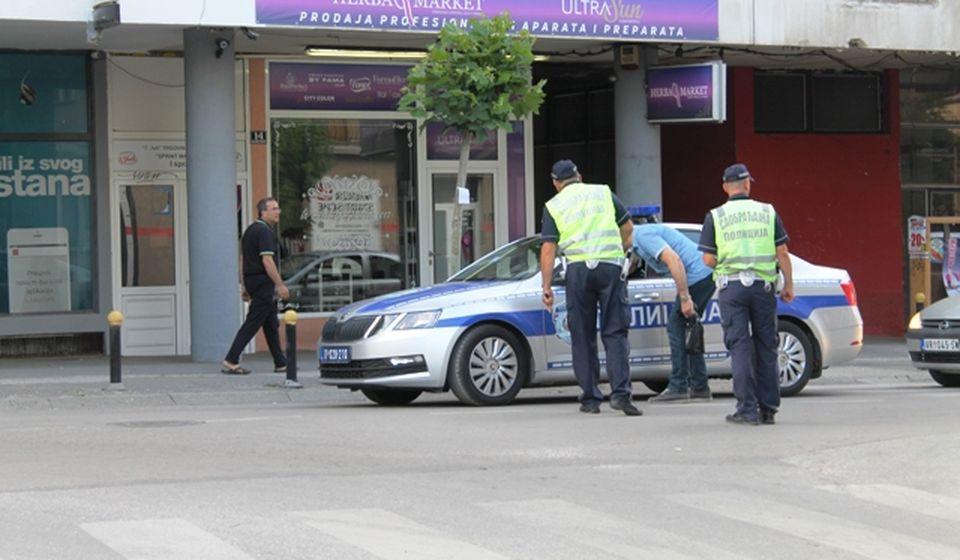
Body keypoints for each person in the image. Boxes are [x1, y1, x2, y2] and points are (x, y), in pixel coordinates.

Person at [540, 160, 640, 416]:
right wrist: (618, 250)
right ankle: (621, 395)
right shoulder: (603, 192)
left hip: (578, 271)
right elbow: (628, 228)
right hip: (610, 268)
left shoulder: (554, 205)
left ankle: (591, 399)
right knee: (615, 332)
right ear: (579, 176)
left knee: (582, 336)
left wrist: (547, 286)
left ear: (555, 184)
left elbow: (549, 248)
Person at [699, 164, 794, 425]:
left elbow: (707, 259)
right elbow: (782, 252)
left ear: (725, 187)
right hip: (763, 288)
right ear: (748, 185)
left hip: (732, 289)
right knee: (766, 346)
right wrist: (789, 285)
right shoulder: (767, 212)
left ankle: (746, 409)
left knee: (740, 347)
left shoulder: (715, 216)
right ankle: (769, 409)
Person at [632, 221, 716, 403]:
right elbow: (631, 265)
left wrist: (685, 298)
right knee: (689, 329)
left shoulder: (642, 236)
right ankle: (700, 386)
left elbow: (673, 260)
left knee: (676, 327)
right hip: (705, 274)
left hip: (698, 275)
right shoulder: (637, 241)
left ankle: (678, 386)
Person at [222, 197, 290, 375]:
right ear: (263, 212)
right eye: (274, 209)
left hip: (254, 281)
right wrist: (280, 285)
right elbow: (267, 261)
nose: (278, 212)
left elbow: (243, 260)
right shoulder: (264, 231)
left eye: (278, 208)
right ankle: (231, 359)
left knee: (270, 323)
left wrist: (245, 286)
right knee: (252, 323)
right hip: (263, 283)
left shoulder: (250, 231)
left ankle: (281, 362)